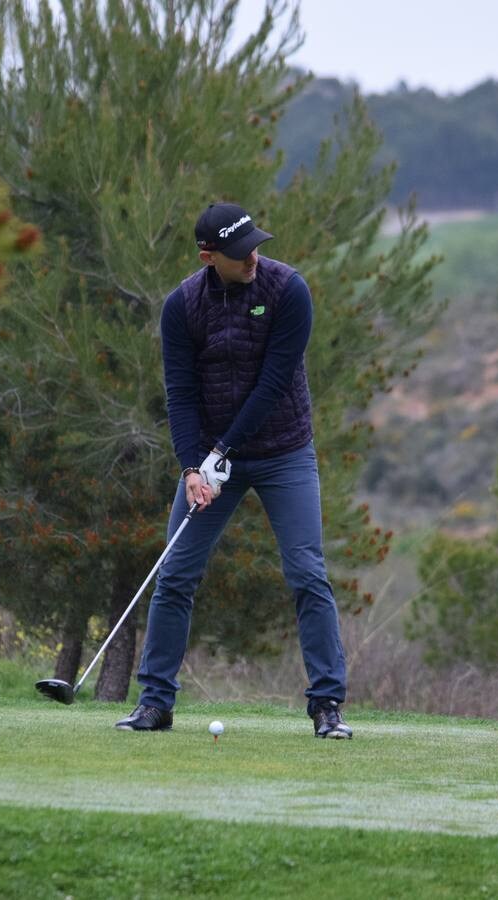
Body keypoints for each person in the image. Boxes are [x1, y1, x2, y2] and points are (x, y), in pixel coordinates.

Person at [115, 202, 352, 739]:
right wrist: (191, 468)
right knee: (174, 576)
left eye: (256, 246)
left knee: (306, 573)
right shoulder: (182, 306)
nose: (254, 258)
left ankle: (326, 706)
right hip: (211, 459)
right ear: (209, 256)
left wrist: (218, 450)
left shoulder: (288, 291)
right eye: (241, 252)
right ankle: (155, 703)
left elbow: (273, 385)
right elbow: (181, 393)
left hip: (285, 451)